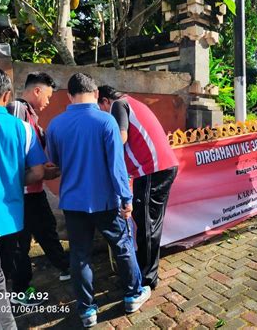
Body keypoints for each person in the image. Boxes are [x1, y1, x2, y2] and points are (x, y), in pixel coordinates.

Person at [46, 74, 150, 328]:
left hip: (72, 201)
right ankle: (133, 295)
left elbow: (56, 163)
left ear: (69, 96)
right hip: (105, 200)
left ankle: (87, 311)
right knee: (122, 246)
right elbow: (116, 166)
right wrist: (126, 197)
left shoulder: (55, 125)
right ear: (94, 93)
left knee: (79, 256)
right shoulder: (106, 121)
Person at [0, 67, 46, 329]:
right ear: (7, 96)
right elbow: (38, 172)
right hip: (12, 220)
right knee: (1, 282)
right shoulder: (23, 129)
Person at [97, 85, 178, 290]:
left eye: (100, 109)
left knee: (147, 226)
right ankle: (146, 271)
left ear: (105, 101)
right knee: (148, 224)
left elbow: (120, 136)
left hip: (153, 169)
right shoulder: (131, 102)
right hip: (156, 169)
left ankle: (147, 278)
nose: (103, 115)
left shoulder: (118, 104)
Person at [1, 72, 70, 307]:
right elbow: (14, 150)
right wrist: (38, 171)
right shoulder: (18, 109)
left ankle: (64, 265)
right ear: (37, 91)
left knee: (45, 231)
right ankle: (20, 292)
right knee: (21, 243)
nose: (49, 102)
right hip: (23, 193)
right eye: (48, 97)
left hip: (33, 191)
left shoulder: (31, 116)